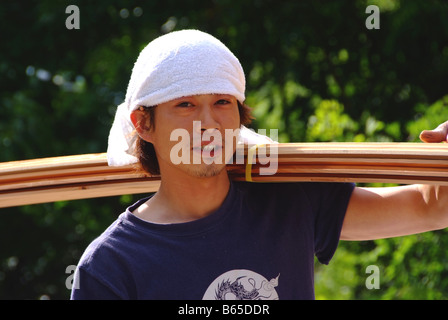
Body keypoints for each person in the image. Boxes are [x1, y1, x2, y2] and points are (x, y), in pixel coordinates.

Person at [70, 29, 448, 300]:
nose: (209, 122)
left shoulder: (289, 201)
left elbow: (430, 207)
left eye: (222, 102)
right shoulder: (111, 267)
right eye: (184, 105)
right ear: (144, 124)